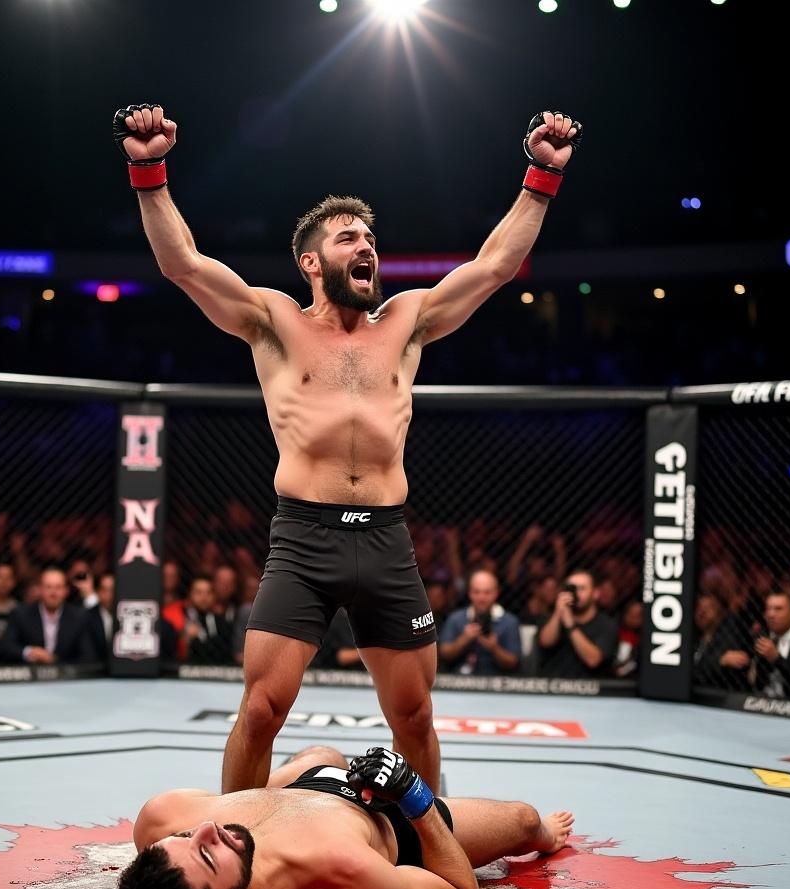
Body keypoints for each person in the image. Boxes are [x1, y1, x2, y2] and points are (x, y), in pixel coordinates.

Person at [112, 102, 583, 792]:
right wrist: (148, 168)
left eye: (369, 238)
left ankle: (429, 849)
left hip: (387, 541)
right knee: (264, 709)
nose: (365, 247)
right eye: (346, 239)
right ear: (310, 262)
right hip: (304, 539)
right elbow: (182, 264)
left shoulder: (407, 321)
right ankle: (240, 843)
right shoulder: (272, 321)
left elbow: (493, 268)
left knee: (416, 717)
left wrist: (541, 172)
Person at [110, 744, 574, 889]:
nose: (208, 829)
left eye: (188, 836)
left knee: (321, 753)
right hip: (386, 822)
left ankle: (330, 763)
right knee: (524, 820)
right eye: (208, 855)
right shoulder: (336, 873)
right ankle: (544, 835)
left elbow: (192, 833)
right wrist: (413, 795)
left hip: (302, 786)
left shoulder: (161, 818)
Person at [0, 566, 97, 665]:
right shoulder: (21, 614)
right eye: (48, 587)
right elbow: (5, 647)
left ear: (66, 591)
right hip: (31, 675)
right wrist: (29, 652)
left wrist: (57, 664)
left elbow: (88, 656)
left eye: (58, 587)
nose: (53, 593)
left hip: (67, 677)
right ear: (40, 590)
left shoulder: (79, 617)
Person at [536, 569, 618, 678]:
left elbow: (593, 660)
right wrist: (558, 613)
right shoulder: (551, 617)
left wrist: (570, 623)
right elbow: (545, 642)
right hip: (553, 686)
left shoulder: (607, 624)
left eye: (582, 588)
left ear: (595, 594)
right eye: (571, 588)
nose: (576, 593)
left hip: (591, 689)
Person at [438, 569, 521, 675]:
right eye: (477, 592)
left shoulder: (509, 622)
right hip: (458, 681)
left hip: (497, 683)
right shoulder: (456, 618)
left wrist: (494, 648)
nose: (481, 598)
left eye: (487, 592)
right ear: (469, 593)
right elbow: (444, 654)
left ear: (496, 593)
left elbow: (513, 662)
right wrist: (463, 639)